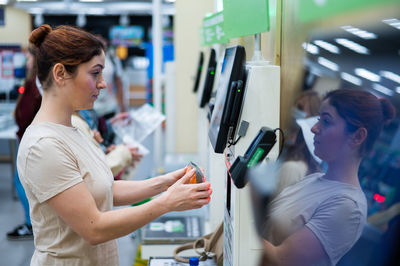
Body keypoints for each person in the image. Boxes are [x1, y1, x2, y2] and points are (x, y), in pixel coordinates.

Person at [17, 24, 212, 265]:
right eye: (95, 73)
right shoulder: (43, 146)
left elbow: (104, 188)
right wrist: (166, 203)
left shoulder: (77, 127)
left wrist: (166, 182)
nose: (103, 84)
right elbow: (94, 229)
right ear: (60, 74)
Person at [260, 88, 395, 265]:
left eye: (326, 121)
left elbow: (281, 258)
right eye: (318, 120)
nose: (315, 128)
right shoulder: (314, 179)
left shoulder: (348, 206)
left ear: (357, 136)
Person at [7, 48, 41, 240]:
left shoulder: (35, 84)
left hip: (30, 140)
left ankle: (31, 224)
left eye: (28, 56)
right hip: (28, 138)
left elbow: (27, 113)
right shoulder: (33, 82)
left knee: (21, 182)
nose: (26, 60)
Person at [275, 90, 321, 195]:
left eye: (300, 108)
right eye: (295, 106)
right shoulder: (286, 136)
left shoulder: (293, 168)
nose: (295, 111)